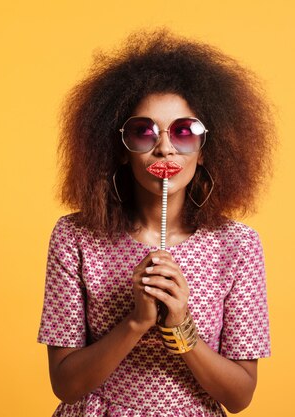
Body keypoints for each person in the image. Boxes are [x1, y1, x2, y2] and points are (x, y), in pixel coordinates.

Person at [37, 29, 276, 417]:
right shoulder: (75, 237)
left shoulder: (238, 246)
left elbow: (239, 397)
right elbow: (65, 385)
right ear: (119, 149)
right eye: (143, 131)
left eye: (184, 132)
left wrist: (181, 325)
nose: (164, 146)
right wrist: (135, 322)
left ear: (204, 150)